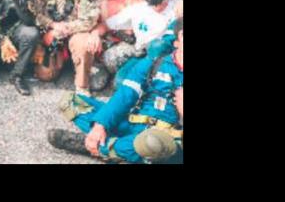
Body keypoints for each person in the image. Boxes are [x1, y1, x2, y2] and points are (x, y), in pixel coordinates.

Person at [47, 18, 183, 164]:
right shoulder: (155, 63)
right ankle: (117, 149)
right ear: (178, 39)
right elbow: (125, 95)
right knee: (72, 102)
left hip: (168, 136)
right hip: (134, 124)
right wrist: (100, 125)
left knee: (152, 144)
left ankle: (98, 148)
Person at [31, 0, 102, 97]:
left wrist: (61, 30)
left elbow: (88, 21)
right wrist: (51, 25)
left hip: (77, 32)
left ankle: (82, 85)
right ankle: (63, 60)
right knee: (46, 74)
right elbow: (36, 14)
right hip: (54, 34)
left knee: (82, 43)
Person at [97, 0, 182, 85]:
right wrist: (94, 35)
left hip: (171, 57)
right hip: (143, 55)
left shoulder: (177, 8)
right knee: (120, 81)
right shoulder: (137, 10)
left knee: (157, 45)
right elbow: (107, 25)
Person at [81, 0, 144, 91]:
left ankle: (123, 72)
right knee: (95, 85)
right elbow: (90, 25)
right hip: (106, 45)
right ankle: (105, 68)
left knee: (119, 82)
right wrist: (94, 35)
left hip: (131, 47)